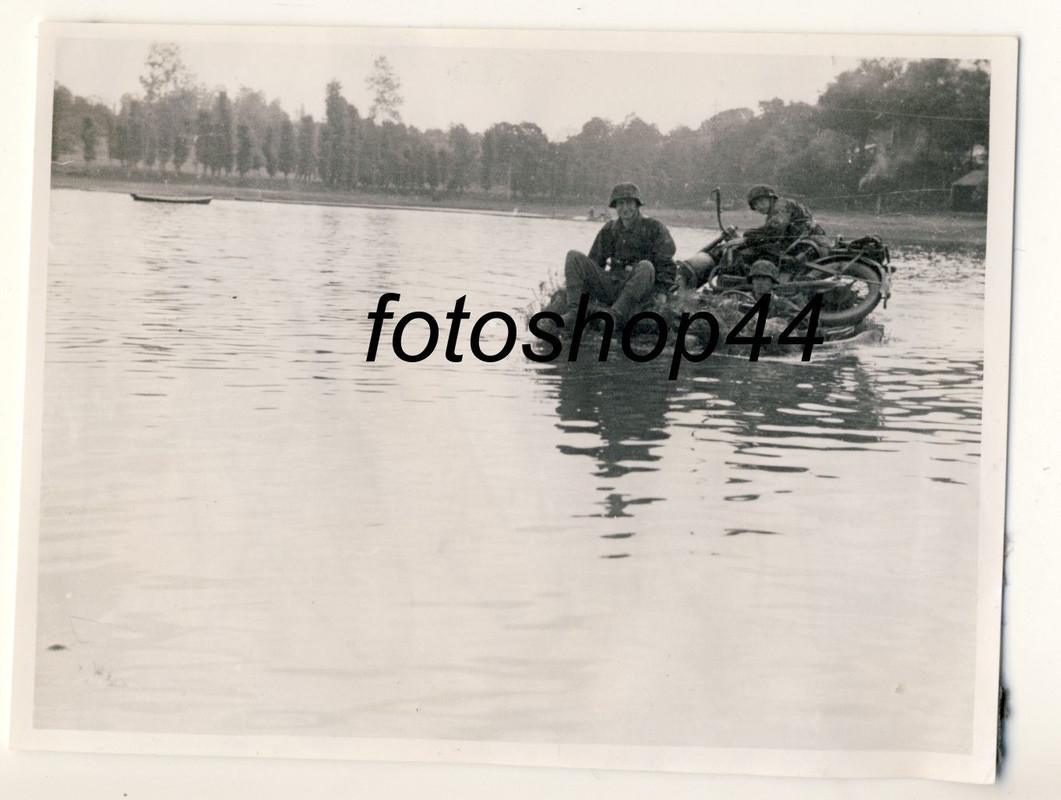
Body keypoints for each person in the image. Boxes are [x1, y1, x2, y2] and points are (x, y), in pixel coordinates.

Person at [562, 182, 676, 328]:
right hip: (613, 282)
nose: (624, 208)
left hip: (640, 287)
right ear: (615, 207)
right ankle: (576, 313)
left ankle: (614, 315)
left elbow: (666, 264)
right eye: (620, 204)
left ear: (636, 205)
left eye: (629, 203)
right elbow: (595, 262)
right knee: (573, 256)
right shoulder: (609, 229)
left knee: (646, 266)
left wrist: (662, 293)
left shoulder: (654, 227)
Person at [676, 185, 829, 290]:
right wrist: (747, 238)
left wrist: (745, 239)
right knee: (744, 251)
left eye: (761, 201)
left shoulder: (781, 206)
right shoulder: (779, 209)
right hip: (803, 245)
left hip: (807, 246)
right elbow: (772, 233)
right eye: (755, 205)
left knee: (735, 254)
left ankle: (726, 288)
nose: (759, 207)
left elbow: (774, 231)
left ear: (770, 197)